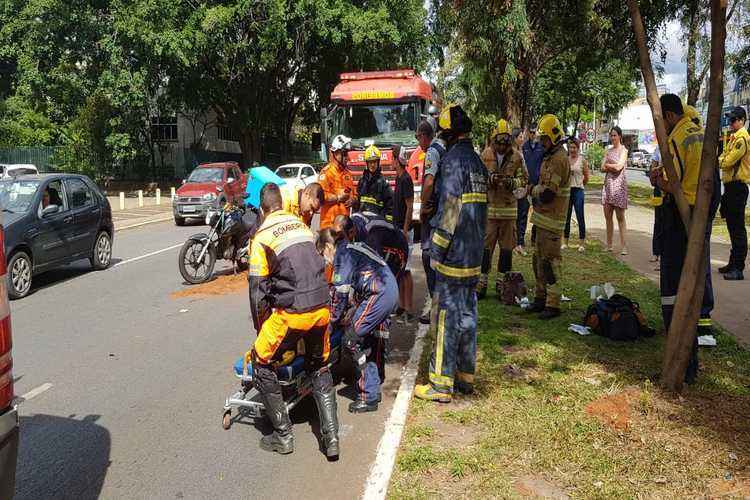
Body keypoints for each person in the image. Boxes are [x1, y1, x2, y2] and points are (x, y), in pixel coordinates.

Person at [247, 183, 339, 457]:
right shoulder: (301, 226)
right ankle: (332, 438)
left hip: (292, 314)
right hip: (323, 308)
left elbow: (257, 292)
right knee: (320, 367)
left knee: (260, 360)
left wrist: (261, 327)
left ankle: (283, 435)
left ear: (263, 209)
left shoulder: (262, 236)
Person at [414, 104, 488, 402]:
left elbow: (450, 210)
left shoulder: (453, 162)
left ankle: (440, 384)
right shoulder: (479, 163)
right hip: (473, 255)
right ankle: (465, 377)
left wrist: (437, 249)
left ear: (447, 133)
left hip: (454, 255)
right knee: (468, 314)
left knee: (445, 316)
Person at [650, 93, 716, 383]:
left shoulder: (676, 138)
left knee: (671, 287)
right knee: (694, 282)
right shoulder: (702, 133)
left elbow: (672, 182)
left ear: (668, 116)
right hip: (700, 216)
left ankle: (677, 351)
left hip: (679, 216)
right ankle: (690, 360)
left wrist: (656, 180)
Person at [324, 215, 399, 413]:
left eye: (322, 253)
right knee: (370, 340)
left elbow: (339, 294)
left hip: (378, 294)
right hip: (388, 290)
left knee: (351, 340)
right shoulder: (354, 247)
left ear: (328, 246)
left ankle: (368, 396)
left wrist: (331, 322)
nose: (325, 260)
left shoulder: (342, 254)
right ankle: (374, 386)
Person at [525, 114, 571, 320]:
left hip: (552, 221)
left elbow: (548, 193)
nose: (541, 143)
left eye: (544, 139)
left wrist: (531, 190)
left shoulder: (560, 159)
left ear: (553, 137)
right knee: (538, 260)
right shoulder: (549, 156)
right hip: (542, 219)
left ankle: (553, 304)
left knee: (550, 262)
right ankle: (540, 298)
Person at [478, 119, 527, 299]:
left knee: (506, 250)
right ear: (493, 140)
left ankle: (502, 285)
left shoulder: (517, 157)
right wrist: (489, 180)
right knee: (485, 249)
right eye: (499, 143)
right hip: (490, 211)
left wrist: (510, 182)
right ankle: (481, 284)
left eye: (505, 143)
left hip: (508, 212)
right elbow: (477, 179)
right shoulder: (485, 155)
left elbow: (524, 181)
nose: (502, 146)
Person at [419, 118, 447, 324]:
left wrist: (423, 205)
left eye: (418, 137)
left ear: (424, 135)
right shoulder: (443, 147)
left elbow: (429, 182)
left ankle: (435, 308)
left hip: (434, 213)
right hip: (445, 211)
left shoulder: (432, 152)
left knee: (429, 258)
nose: (418, 141)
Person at [718, 105, 750, 281]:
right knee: (731, 227)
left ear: (742, 121)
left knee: (737, 229)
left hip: (738, 187)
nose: (730, 122)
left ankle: (738, 268)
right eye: (730, 119)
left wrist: (722, 160)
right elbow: (722, 158)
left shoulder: (742, 138)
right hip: (731, 188)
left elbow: (727, 161)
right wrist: (722, 159)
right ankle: (733, 263)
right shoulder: (733, 137)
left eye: (733, 120)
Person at [393, 145, 416, 322]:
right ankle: (401, 305)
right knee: (400, 269)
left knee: (405, 270)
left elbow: (410, 206)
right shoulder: (398, 178)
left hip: (404, 229)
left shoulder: (406, 179)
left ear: (396, 160)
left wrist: (405, 230)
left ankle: (408, 307)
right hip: (398, 228)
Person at [601, 126, 629, 254]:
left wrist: (608, 165)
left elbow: (619, 167)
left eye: (615, 135)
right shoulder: (608, 150)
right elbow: (601, 167)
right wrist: (609, 166)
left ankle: (624, 246)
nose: (613, 138)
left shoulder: (624, 150)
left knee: (620, 217)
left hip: (619, 187)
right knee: (608, 217)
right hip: (608, 186)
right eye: (611, 135)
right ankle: (609, 245)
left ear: (620, 136)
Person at [319, 134, 356, 229]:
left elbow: (354, 194)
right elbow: (320, 198)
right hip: (328, 227)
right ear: (335, 153)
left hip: (344, 227)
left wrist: (353, 200)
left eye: (347, 154)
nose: (348, 158)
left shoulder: (348, 174)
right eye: (344, 154)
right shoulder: (326, 173)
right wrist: (338, 197)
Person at [520, 127, 544, 254]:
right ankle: (520, 239)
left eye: (535, 132)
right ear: (528, 133)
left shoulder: (542, 147)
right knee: (523, 213)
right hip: (526, 185)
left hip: (538, 185)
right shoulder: (524, 147)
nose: (533, 134)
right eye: (531, 132)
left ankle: (534, 237)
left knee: (538, 213)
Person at [563, 138, 589, 251]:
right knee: (566, 217)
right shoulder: (566, 160)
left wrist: (580, 184)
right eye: (570, 147)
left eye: (574, 147)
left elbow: (586, 177)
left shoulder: (582, 160)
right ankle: (565, 242)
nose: (572, 149)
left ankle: (581, 242)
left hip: (578, 190)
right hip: (568, 191)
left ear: (578, 148)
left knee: (580, 216)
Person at [357, 145, 393, 220]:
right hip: (363, 222)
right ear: (366, 163)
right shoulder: (362, 181)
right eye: (370, 162)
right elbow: (358, 201)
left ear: (378, 162)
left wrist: (388, 224)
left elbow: (390, 206)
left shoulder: (383, 183)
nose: (372, 165)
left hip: (377, 223)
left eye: (374, 161)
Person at [649, 147, 664, 269]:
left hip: (671, 188)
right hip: (659, 188)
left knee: (668, 222)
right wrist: (658, 168)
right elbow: (653, 168)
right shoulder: (658, 148)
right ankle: (656, 252)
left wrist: (659, 168)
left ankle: (665, 257)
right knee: (658, 221)